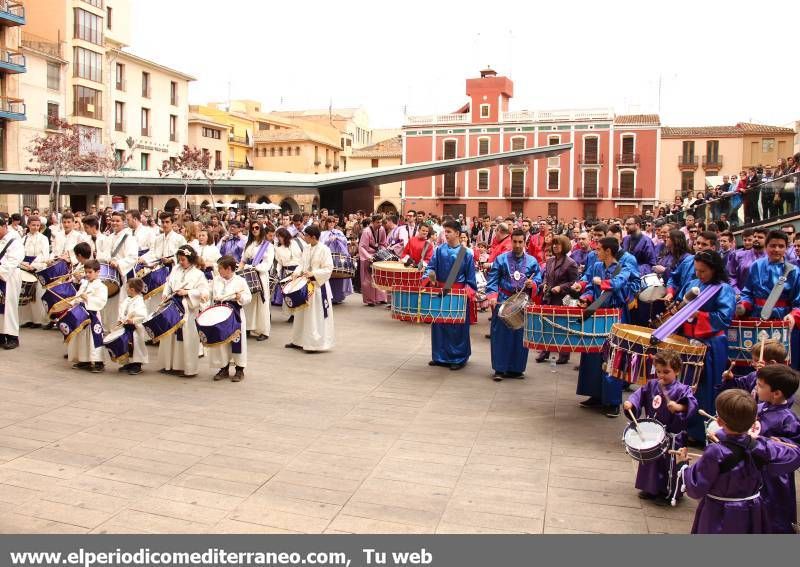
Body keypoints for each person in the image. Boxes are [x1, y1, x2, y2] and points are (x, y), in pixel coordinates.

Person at [676, 389, 800, 534]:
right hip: (752, 510)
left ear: (720, 422)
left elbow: (696, 487)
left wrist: (682, 464)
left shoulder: (715, 451)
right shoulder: (762, 446)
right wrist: (774, 441)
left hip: (718, 511)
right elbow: (793, 454)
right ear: (754, 422)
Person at [572, 237, 638, 417]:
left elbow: (618, 284)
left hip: (615, 315)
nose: (596, 252)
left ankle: (612, 401)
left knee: (613, 357)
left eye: (599, 249)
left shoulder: (624, 268)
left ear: (608, 251)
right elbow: (590, 290)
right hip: (597, 313)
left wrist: (601, 283)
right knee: (592, 353)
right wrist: (586, 297)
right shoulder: (596, 266)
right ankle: (594, 394)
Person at [676, 250, 735, 444]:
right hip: (690, 341)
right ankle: (689, 429)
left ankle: (706, 432)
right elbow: (680, 304)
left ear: (714, 269)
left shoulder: (723, 289)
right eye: (697, 270)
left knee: (708, 387)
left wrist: (697, 316)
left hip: (712, 343)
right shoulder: (693, 284)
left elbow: (724, 318)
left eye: (703, 271)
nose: (699, 274)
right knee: (688, 386)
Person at [623, 351, 697, 504]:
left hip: (673, 435)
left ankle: (669, 492)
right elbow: (639, 395)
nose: (661, 375)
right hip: (655, 432)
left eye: (666, 372)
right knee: (652, 461)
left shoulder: (683, 389)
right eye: (658, 371)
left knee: (669, 465)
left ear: (676, 371)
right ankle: (650, 488)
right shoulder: (652, 385)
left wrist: (678, 406)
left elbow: (691, 405)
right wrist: (631, 403)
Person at [737, 230, 800, 370]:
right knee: (757, 362)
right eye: (773, 245)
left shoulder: (794, 271)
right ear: (766, 246)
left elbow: (798, 301)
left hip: (782, 323)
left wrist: (794, 315)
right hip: (757, 320)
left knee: (779, 366)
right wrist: (744, 305)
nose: (776, 249)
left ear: (786, 247)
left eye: (781, 246)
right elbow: (747, 292)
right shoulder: (756, 266)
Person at [485, 229, 542, 379]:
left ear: (525, 242)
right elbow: (492, 280)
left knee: (519, 336)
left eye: (520, 242)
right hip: (504, 301)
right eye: (514, 241)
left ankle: (516, 369)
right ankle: (499, 368)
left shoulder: (532, 261)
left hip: (522, 302)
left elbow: (539, 280)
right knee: (501, 336)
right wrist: (492, 296)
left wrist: (533, 284)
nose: (517, 245)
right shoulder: (501, 259)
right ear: (511, 241)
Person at [751, 365, 800, 533]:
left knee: (774, 511)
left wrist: (779, 441)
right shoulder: (760, 406)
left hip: (775, 476)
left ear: (777, 393)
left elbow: (795, 446)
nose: (756, 388)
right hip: (756, 467)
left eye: (760, 385)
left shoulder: (788, 418)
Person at [425, 220, 478, 371]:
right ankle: (439, 356)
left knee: (456, 327)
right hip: (441, 292)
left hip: (458, 295)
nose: (445, 234)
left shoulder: (466, 254)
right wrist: (431, 277)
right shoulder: (439, 250)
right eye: (444, 231)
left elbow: (471, 280)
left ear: (457, 233)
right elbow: (430, 268)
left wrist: (465, 294)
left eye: (448, 231)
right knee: (439, 324)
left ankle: (458, 357)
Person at [157, 245, 209, 378]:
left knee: (186, 338)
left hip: (187, 310)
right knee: (170, 337)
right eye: (179, 259)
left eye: (183, 259)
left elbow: (204, 293)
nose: (180, 262)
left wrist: (187, 292)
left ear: (190, 259)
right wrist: (165, 294)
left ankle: (187, 368)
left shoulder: (198, 274)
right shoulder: (175, 269)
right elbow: (168, 283)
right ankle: (170, 365)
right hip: (172, 306)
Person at [285, 225, 335, 353]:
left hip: (318, 287)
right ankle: (298, 341)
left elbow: (328, 268)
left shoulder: (324, 249)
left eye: (306, 235)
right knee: (301, 314)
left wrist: (313, 274)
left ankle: (314, 344)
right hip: (304, 285)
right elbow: (301, 264)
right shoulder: (306, 248)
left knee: (314, 316)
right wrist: (296, 272)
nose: (304, 237)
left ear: (313, 237)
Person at [536, 235, 578, 364]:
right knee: (547, 325)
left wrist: (561, 287)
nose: (554, 246)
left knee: (562, 326)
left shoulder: (571, 263)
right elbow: (546, 278)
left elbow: (574, 283)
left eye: (558, 244)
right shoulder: (549, 261)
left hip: (563, 299)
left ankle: (564, 354)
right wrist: (543, 286)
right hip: (549, 297)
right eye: (553, 244)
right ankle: (545, 351)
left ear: (564, 246)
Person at [209, 255, 252, 382]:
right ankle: (224, 368)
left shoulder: (240, 281)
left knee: (237, 341)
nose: (218, 271)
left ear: (228, 269)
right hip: (219, 313)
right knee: (221, 341)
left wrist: (240, 297)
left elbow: (247, 297)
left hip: (234, 314)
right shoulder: (216, 280)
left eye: (220, 268)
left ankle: (239, 369)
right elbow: (210, 294)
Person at [97, 211, 137, 335]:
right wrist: (108, 259)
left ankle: (120, 331)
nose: (114, 223)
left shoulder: (129, 238)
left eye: (117, 221)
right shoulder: (108, 237)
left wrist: (119, 263)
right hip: (109, 274)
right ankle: (108, 329)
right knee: (108, 303)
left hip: (123, 274)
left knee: (121, 302)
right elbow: (101, 253)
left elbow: (133, 257)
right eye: (113, 220)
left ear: (124, 222)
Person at [67, 259, 108, 373]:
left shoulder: (101, 286)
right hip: (81, 314)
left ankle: (99, 362)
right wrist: (72, 303)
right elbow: (77, 296)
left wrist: (88, 299)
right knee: (82, 338)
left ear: (97, 272)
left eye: (90, 272)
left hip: (93, 316)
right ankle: (84, 360)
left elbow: (101, 301)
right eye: (86, 272)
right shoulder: (84, 283)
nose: (87, 274)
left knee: (94, 339)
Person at [719, 340, 787, 399]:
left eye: (756, 360)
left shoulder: (783, 382)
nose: (752, 363)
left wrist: (766, 376)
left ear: (772, 363)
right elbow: (740, 385)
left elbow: (782, 402)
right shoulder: (754, 375)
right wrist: (731, 378)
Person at [241, 221, 274, 341]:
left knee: (261, 302)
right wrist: (239, 272)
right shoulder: (248, 243)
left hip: (260, 275)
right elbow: (243, 260)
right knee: (248, 302)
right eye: (252, 228)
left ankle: (264, 331)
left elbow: (268, 263)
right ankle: (248, 327)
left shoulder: (268, 246)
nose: (254, 229)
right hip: (248, 274)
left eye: (257, 227)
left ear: (261, 229)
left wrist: (256, 268)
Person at [19, 216, 50, 329]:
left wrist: (33, 265)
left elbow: (44, 254)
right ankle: (28, 319)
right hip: (25, 267)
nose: (36, 227)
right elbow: (20, 253)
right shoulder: (23, 239)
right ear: (28, 225)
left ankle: (38, 319)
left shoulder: (43, 238)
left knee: (37, 294)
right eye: (33, 225)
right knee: (26, 294)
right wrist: (23, 263)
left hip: (37, 266)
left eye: (38, 225)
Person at [114, 277, 149, 375]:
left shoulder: (139, 301)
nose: (126, 289)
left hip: (135, 329)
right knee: (127, 346)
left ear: (132, 290)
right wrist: (120, 319)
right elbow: (122, 311)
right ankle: (129, 363)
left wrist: (133, 320)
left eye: (127, 288)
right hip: (126, 327)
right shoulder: (127, 300)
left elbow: (142, 315)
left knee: (136, 346)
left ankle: (137, 364)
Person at [0, 216, 24, 350]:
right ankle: (1, 335)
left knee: (9, 306)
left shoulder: (14, 240)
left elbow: (14, 260)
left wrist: (1, 270)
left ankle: (12, 337)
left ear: (4, 227)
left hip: (9, 277)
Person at [358, 214, 387, 306]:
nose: (380, 224)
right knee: (368, 278)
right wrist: (368, 257)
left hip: (377, 254)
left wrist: (382, 252)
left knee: (379, 276)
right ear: (372, 222)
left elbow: (383, 243)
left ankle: (381, 297)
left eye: (381, 222)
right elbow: (362, 247)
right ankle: (370, 300)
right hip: (367, 255)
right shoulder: (366, 231)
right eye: (377, 222)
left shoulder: (381, 229)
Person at [727, 228, 766, 296]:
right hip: (742, 298)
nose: (756, 239)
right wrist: (737, 292)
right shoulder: (737, 255)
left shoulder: (771, 258)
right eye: (754, 237)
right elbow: (731, 276)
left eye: (760, 237)